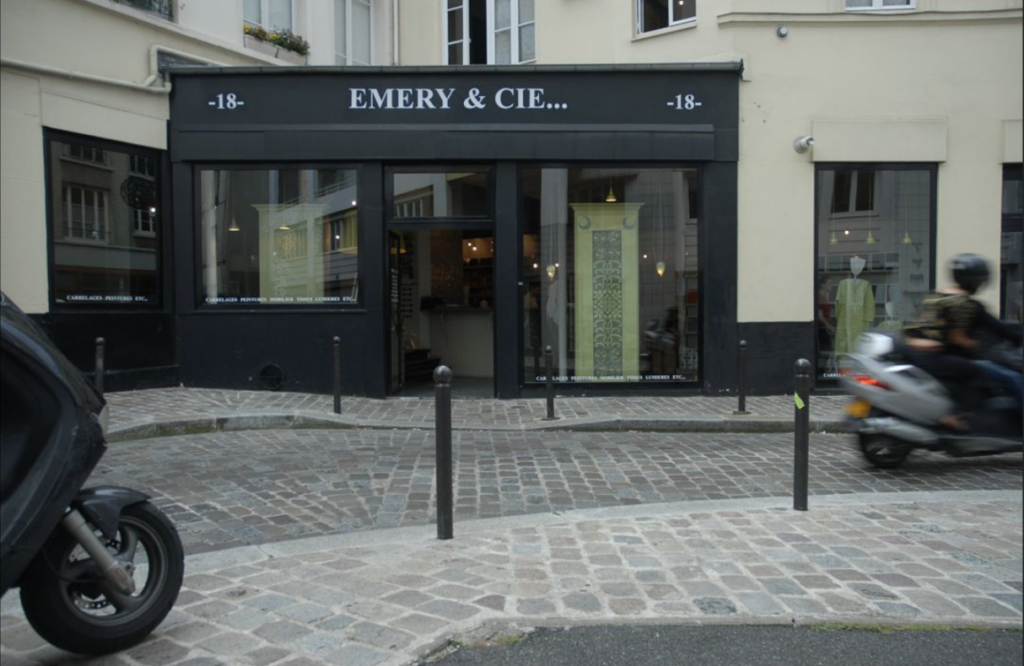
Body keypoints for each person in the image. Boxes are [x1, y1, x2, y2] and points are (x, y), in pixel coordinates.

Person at [904, 253, 1023, 430]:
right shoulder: (968, 305)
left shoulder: (936, 296)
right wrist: (975, 345)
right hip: (937, 356)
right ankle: (956, 415)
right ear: (976, 280)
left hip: (917, 350)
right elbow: (960, 336)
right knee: (1002, 376)